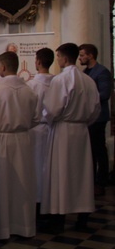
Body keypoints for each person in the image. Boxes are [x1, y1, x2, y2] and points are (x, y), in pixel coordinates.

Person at [41, 43, 100, 233]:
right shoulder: (88, 81)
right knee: (81, 174)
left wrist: (49, 120)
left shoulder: (60, 80)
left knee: (61, 173)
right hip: (81, 131)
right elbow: (95, 110)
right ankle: (82, 218)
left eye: (58, 57)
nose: (57, 60)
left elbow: (52, 109)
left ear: (64, 58)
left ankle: (58, 218)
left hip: (63, 130)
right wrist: (83, 122)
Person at [0, 51, 38, 240]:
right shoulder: (30, 91)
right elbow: (36, 117)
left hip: (2, 139)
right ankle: (23, 225)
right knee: (23, 182)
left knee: (1, 184)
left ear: (4, 67)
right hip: (23, 139)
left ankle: (1, 227)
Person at [79, 43, 112, 195]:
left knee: (99, 150)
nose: (80, 58)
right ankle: (89, 181)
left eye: (82, 55)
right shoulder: (85, 72)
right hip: (89, 116)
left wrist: (87, 99)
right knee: (90, 151)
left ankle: (101, 182)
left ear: (90, 56)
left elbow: (105, 93)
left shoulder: (102, 72)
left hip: (98, 117)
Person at [27, 48, 55, 204]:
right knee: (49, 166)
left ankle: (37, 199)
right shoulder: (56, 82)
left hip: (35, 129)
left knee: (35, 167)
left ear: (37, 62)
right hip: (51, 128)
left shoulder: (31, 85)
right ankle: (49, 199)